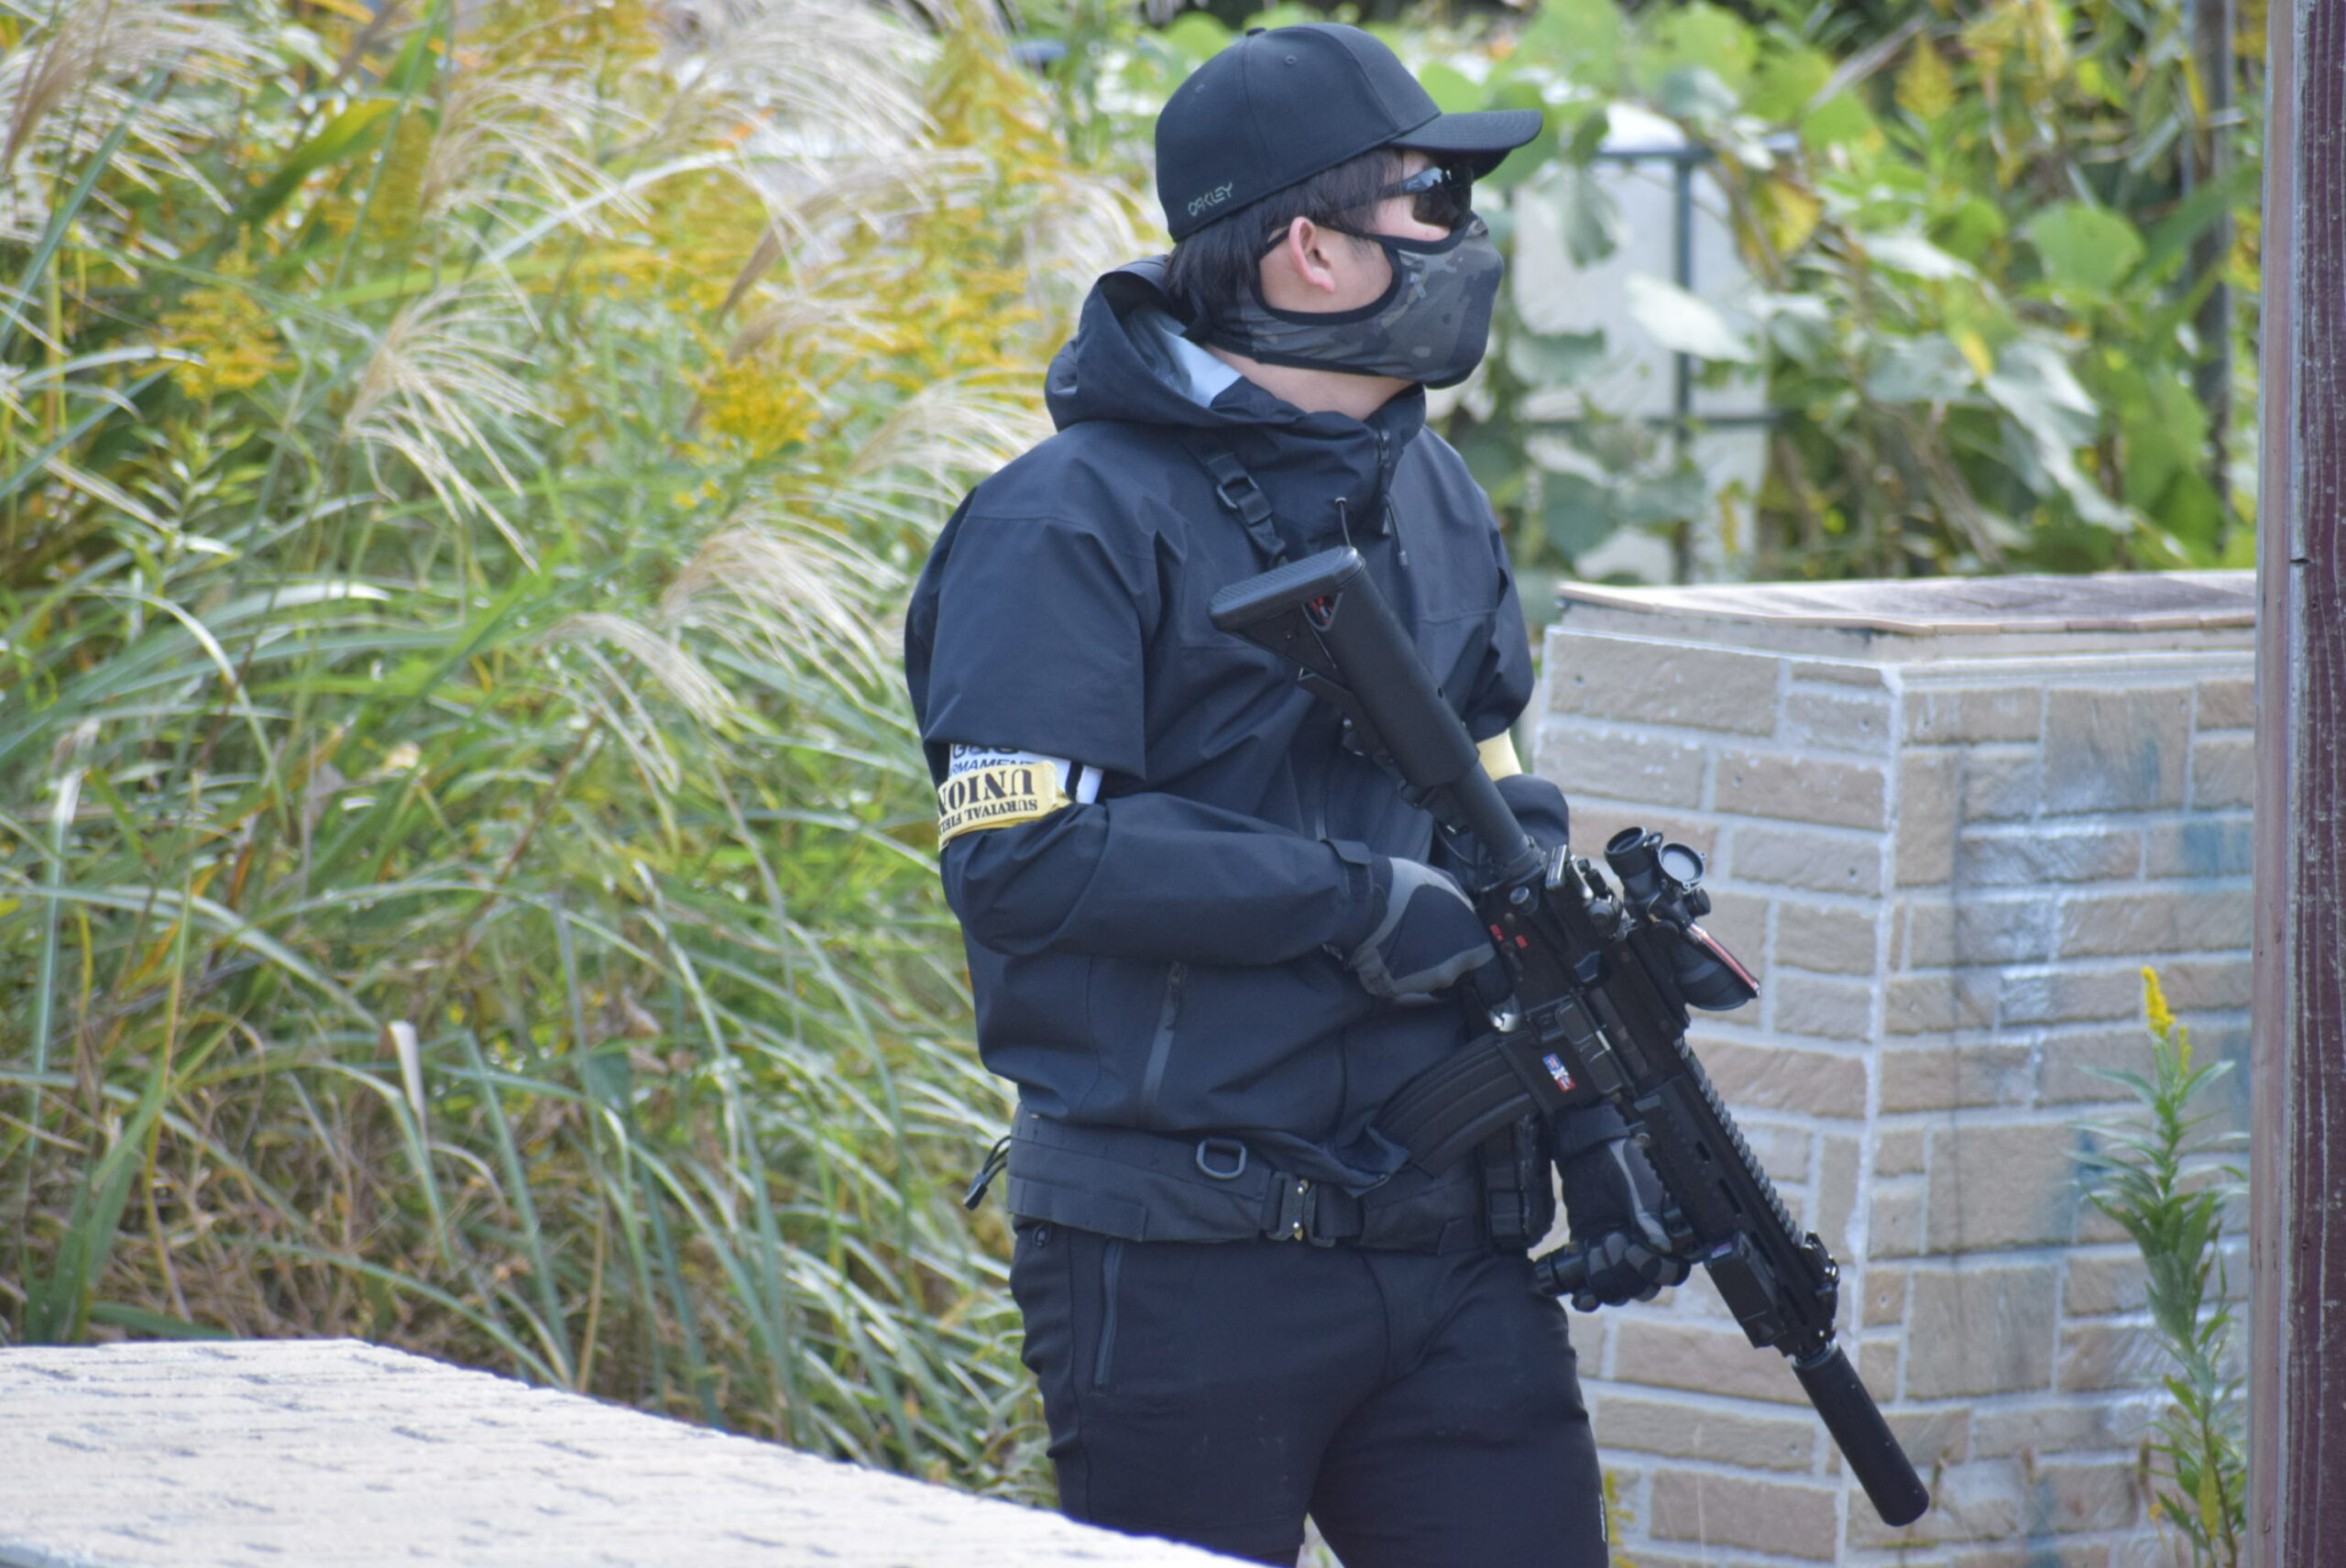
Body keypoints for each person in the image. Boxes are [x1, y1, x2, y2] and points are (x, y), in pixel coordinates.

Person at [904, 24, 1681, 1567]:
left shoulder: (1430, 492)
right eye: (1434, 202)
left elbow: (1496, 797)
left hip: (1454, 1250)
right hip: (1187, 1258)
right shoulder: (1064, 519)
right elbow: (1026, 856)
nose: (1468, 238)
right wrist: (1356, 906)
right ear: (1311, 251)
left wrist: (1591, 1100)